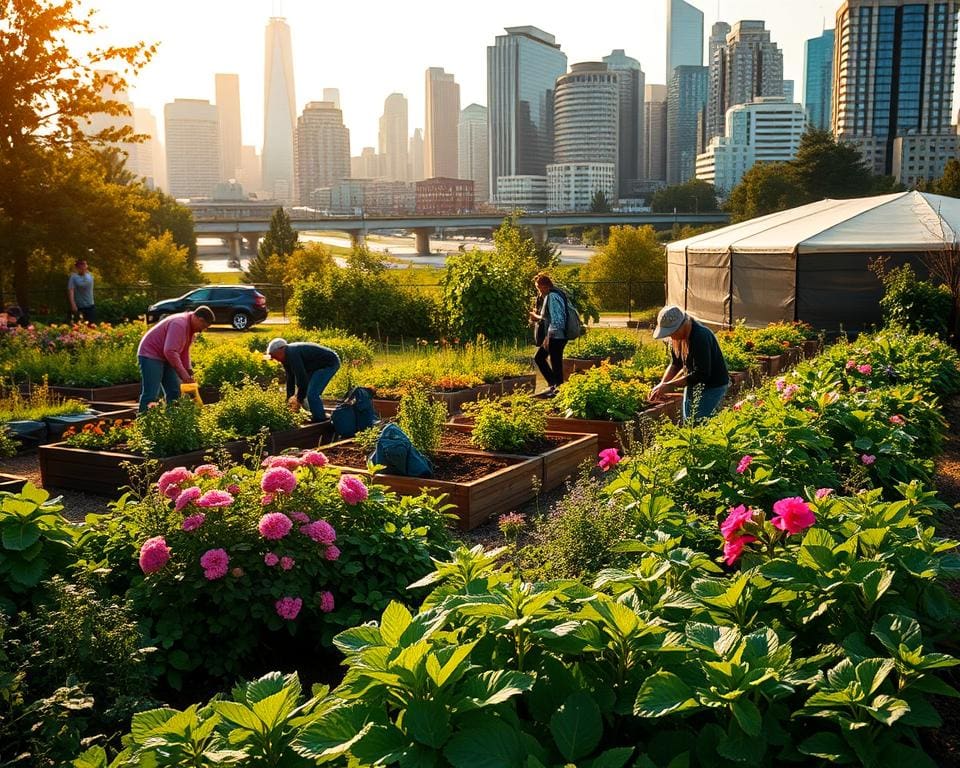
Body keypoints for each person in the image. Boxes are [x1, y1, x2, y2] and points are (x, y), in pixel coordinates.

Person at [649, 304, 729, 421]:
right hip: (693, 382)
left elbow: (702, 374)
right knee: (689, 420)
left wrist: (670, 385)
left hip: (713, 385)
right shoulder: (679, 339)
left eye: (672, 331)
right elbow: (676, 364)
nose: (671, 336)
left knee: (699, 420)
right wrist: (663, 384)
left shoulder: (701, 336)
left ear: (683, 325)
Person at [136, 306, 214, 412]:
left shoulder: (191, 329)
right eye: (203, 326)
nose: (202, 331)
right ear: (199, 319)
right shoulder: (179, 324)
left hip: (166, 357)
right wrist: (183, 375)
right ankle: (143, 423)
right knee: (151, 393)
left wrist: (188, 371)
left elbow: (184, 351)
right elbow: (170, 351)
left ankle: (172, 422)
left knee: (174, 392)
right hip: (150, 354)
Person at [266, 338, 341, 423]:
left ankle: (320, 419)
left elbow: (301, 378)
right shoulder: (285, 358)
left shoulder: (292, 353)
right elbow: (290, 378)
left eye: (274, 355)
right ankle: (312, 413)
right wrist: (288, 399)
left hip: (329, 364)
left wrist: (298, 400)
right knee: (304, 393)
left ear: (281, 349)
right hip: (315, 366)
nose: (274, 359)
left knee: (312, 393)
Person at [528, 273, 568, 395]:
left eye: (539, 288)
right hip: (556, 334)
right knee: (543, 359)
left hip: (556, 335)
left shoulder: (552, 296)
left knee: (553, 362)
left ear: (545, 286)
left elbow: (557, 319)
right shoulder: (555, 294)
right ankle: (554, 386)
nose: (539, 291)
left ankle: (557, 388)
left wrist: (548, 336)